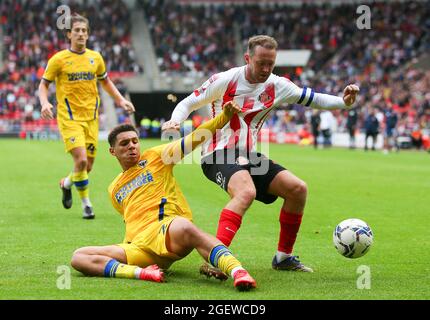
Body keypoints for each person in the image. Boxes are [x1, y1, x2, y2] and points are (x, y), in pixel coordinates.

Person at [162, 35, 360, 274]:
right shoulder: (225, 80)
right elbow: (187, 103)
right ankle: (217, 259)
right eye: (261, 63)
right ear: (248, 58)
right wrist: (175, 121)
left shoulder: (278, 85)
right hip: (216, 153)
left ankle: (283, 257)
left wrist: (344, 102)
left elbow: (313, 98)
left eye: (271, 64)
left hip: (248, 155)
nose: (266, 69)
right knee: (246, 192)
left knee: (297, 189)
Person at [70, 101, 257, 291]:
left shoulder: (156, 157)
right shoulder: (114, 189)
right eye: (125, 143)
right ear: (112, 151)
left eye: (135, 141)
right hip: (138, 248)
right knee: (79, 257)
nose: (132, 146)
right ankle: (141, 273)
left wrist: (223, 117)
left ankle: (237, 271)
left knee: (185, 226)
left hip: (166, 232)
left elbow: (194, 138)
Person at [38, 13, 135, 219]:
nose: (81, 34)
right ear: (69, 34)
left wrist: (120, 101)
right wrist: (45, 102)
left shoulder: (95, 58)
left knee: (87, 166)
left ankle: (67, 183)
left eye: (84, 31)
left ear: (88, 34)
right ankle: (86, 205)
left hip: (91, 118)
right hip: (69, 118)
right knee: (81, 160)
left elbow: (106, 82)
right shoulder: (58, 60)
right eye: (77, 31)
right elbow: (43, 85)